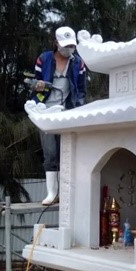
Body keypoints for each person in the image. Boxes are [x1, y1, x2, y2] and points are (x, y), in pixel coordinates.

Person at [32, 26, 87, 205]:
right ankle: (51, 193)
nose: (69, 49)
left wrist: (79, 109)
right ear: (56, 43)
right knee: (50, 153)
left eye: (71, 46)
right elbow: (34, 82)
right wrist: (37, 86)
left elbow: (81, 90)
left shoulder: (78, 63)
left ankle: (65, 193)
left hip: (67, 112)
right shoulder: (44, 59)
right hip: (46, 110)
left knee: (67, 152)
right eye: (65, 45)